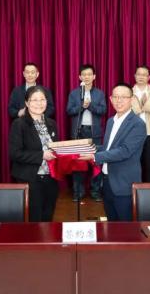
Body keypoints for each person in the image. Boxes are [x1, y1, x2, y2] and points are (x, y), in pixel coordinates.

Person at [79, 84, 146, 221]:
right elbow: (108, 147)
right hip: (107, 182)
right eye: (115, 97)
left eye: (123, 97)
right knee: (112, 224)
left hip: (124, 184)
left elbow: (125, 151)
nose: (118, 100)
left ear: (132, 99)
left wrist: (95, 156)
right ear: (110, 99)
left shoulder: (138, 124)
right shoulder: (111, 121)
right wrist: (89, 148)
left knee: (126, 227)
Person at [9, 86, 59, 222]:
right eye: (34, 100)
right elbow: (15, 153)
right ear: (27, 103)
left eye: (42, 99)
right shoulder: (19, 124)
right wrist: (41, 155)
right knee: (34, 220)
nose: (39, 103)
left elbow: (55, 148)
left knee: (48, 217)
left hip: (51, 178)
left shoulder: (52, 123)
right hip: (30, 179)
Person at [66, 64, 106, 202]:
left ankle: (96, 192)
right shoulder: (74, 93)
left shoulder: (99, 93)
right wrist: (82, 107)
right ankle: (78, 192)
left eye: (89, 74)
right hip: (79, 132)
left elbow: (103, 111)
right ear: (80, 77)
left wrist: (90, 106)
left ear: (94, 76)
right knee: (78, 163)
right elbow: (69, 111)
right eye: (84, 74)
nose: (87, 77)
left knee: (96, 163)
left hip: (95, 133)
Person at [131, 65, 150, 182]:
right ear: (135, 76)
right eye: (139, 74)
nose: (141, 77)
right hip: (133, 133)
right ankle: (134, 189)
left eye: (144, 75)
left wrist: (146, 105)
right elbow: (126, 112)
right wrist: (139, 109)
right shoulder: (129, 92)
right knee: (134, 163)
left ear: (149, 77)